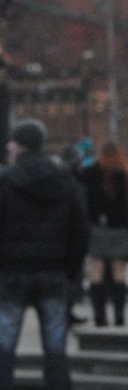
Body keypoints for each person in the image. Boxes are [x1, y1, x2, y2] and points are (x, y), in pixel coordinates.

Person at [0, 118, 90, 390]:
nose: (7, 147)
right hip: (54, 274)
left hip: (12, 274)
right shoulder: (65, 179)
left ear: (22, 145)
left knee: (3, 348)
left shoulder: (5, 180)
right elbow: (80, 230)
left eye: (12, 142)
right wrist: (68, 269)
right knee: (55, 350)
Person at [79, 139, 128, 326]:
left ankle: (99, 316)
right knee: (119, 273)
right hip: (120, 229)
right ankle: (119, 316)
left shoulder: (90, 173)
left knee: (96, 271)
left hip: (97, 228)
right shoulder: (123, 174)